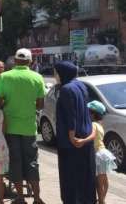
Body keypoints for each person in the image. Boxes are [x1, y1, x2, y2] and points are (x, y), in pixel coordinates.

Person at [0, 48, 46, 204]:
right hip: (29, 127)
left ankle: (20, 197)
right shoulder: (37, 77)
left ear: (15, 61)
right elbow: (40, 104)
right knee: (32, 161)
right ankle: (37, 198)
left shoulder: (4, 77)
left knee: (15, 161)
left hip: (10, 127)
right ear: (30, 62)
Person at [54, 61, 97, 204]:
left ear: (62, 73)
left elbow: (71, 113)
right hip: (85, 135)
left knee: (70, 179)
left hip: (71, 141)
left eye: (56, 72)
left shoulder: (66, 89)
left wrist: (72, 136)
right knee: (85, 177)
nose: (55, 76)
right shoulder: (81, 85)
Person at [85, 101, 116, 204]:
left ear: (92, 114)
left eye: (87, 112)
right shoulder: (100, 125)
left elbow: (92, 136)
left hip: (98, 155)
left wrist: (82, 140)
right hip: (104, 153)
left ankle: (102, 201)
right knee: (104, 180)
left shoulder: (93, 125)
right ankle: (103, 199)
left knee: (98, 182)